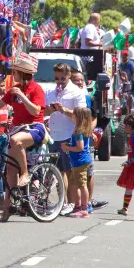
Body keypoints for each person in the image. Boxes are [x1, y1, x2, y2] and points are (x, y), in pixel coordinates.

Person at [0, 54, 46, 222]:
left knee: (15, 140)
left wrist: (23, 97)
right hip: (17, 129)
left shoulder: (36, 89)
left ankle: (25, 173)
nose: (12, 75)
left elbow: (35, 111)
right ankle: (8, 209)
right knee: (10, 168)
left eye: (15, 72)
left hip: (34, 128)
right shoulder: (13, 90)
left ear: (22, 73)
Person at [43, 63, 87, 216]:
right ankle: (62, 202)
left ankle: (72, 203)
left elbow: (82, 116)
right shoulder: (50, 91)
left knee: (68, 172)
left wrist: (64, 110)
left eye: (62, 78)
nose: (59, 81)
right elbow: (43, 112)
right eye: (56, 78)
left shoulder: (76, 92)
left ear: (69, 76)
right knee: (55, 171)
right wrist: (49, 110)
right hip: (53, 135)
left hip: (69, 135)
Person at [61, 107, 93, 218]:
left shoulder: (78, 131)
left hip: (80, 161)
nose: (72, 117)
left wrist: (67, 148)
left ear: (78, 117)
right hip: (77, 161)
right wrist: (69, 146)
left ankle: (84, 208)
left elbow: (80, 147)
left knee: (82, 185)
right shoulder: (82, 129)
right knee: (74, 184)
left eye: (73, 115)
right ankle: (78, 206)